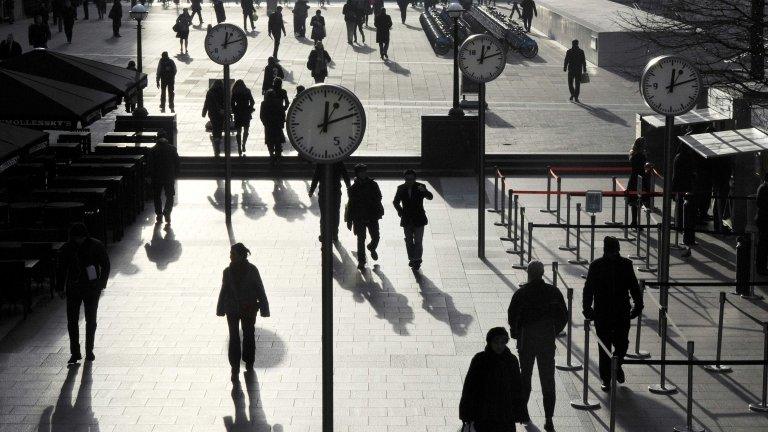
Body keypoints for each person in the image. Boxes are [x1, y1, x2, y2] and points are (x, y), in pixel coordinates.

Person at [507, 260, 567, 431]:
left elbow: (512, 315)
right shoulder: (553, 292)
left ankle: (523, 412)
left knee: (525, 377)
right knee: (547, 380)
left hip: (527, 341)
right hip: (546, 341)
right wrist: (553, 330)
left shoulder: (521, 293)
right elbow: (563, 315)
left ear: (528, 273)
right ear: (542, 273)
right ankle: (548, 418)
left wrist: (516, 332)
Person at [583, 236, 643, 391]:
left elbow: (634, 287)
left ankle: (616, 366)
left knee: (622, 343)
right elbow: (588, 289)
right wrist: (587, 308)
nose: (614, 253)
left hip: (621, 311)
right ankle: (606, 378)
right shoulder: (596, 266)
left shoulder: (626, 265)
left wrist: (638, 305)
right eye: (612, 250)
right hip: (602, 312)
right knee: (604, 347)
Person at [58, 223, 110, 364]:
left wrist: (101, 284)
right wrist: (60, 288)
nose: (79, 241)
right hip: (80, 287)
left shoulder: (70, 247)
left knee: (89, 320)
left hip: (88, 288)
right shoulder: (92, 245)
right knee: (74, 321)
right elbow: (61, 269)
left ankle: (88, 350)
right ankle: (76, 352)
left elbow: (106, 265)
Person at [216, 243, 270, 379]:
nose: (230, 256)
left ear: (241, 256)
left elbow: (260, 288)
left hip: (249, 308)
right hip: (232, 309)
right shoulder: (227, 272)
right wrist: (220, 307)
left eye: (233, 254)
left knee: (249, 335)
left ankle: (249, 361)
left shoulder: (252, 270)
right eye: (230, 253)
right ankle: (234, 365)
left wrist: (264, 308)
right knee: (234, 336)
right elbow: (224, 290)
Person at [459, 327, 524, 432]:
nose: (499, 346)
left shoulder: (511, 361)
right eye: (496, 342)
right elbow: (469, 388)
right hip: (484, 414)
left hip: (505, 415)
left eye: (503, 342)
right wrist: (465, 413)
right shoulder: (480, 360)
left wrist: (521, 412)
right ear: (490, 342)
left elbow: (517, 388)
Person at [393, 169, 433, 270]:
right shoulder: (401, 188)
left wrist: (425, 191)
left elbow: (430, 197)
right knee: (409, 241)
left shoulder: (420, 187)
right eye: (407, 179)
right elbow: (395, 202)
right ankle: (412, 258)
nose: (409, 181)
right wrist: (401, 212)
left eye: (411, 179)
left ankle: (417, 259)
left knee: (418, 241)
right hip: (407, 219)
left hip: (419, 218)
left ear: (414, 179)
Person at [347, 164, 384, 270]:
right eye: (360, 172)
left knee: (376, 237)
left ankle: (372, 247)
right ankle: (361, 261)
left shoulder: (373, 184)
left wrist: (372, 202)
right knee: (361, 239)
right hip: (359, 217)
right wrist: (350, 220)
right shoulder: (353, 188)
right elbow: (351, 205)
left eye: (364, 172)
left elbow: (379, 196)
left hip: (372, 215)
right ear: (357, 174)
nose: (363, 174)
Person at [309, 162, 351, 242]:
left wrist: (312, 190)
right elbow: (345, 175)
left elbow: (316, 177)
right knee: (335, 214)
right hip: (335, 193)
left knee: (324, 215)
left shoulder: (321, 163)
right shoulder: (339, 162)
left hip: (323, 193)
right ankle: (334, 234)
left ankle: (324, 234)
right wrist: (348, 187)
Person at [149, 137, 180, 226]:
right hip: (169, 176)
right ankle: (167, 212)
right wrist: (176, 173)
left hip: (157, 177)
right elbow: (177, 162)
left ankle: (159, 213)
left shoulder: (153, 150)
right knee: (170, 195)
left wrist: (149, 175)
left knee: (157, 196)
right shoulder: (172, 149)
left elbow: (150, 164)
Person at [260, 87, 287, 164]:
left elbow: (262, 115)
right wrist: (282, 123)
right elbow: (282, 114)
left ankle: (271, 156)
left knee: (270, 142)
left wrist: (265, 123)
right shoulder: (278, 102)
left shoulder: (264, 103)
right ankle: (278, 157)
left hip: (269, 125)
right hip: (277, 125)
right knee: (278, 142)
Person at [231, 79, 255, 157]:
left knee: (238, 131)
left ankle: (238, 146)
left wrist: (234, 110)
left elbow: (232, 103)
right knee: (246, 130)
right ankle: (243, 144)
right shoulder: (247, 91)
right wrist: (250, 108)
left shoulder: (235, 92)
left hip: (238, 112)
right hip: (246, 112)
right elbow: (252, 101)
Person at [626, 137, 646, 227]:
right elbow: (641, 168)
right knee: (637, 201)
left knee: (634, 202)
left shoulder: (633, 154)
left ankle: (634, 221)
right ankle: (635, 222)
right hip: (639, 179)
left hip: (633, 178)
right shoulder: (640, 155)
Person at [203, 80, 226, 157]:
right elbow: (225, 102)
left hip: (212, 113)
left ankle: (216, 143)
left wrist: (204, 112)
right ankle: (218, 141)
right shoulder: (223, 92)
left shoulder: (210, 92)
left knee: (215, 127)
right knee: (219, 128)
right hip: (221, 113)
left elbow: (206, 103)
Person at [756, 173, 768, 274]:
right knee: (763, 245)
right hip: (764, 220)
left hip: (762, 219)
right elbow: (761, 204)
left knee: (763, 244)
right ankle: (761, 268)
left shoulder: (762, 187)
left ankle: (761, 267)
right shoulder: (764, 188)